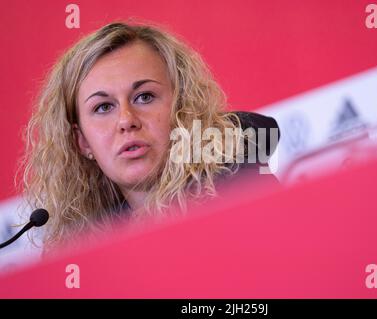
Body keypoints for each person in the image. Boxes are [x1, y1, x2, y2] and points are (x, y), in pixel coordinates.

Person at [16, 21, 280, 252]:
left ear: (182, 107)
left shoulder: (242, 190)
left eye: (144, 97)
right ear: (82, 142)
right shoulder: (84, 248)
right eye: (103, 107)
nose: (126, 120)